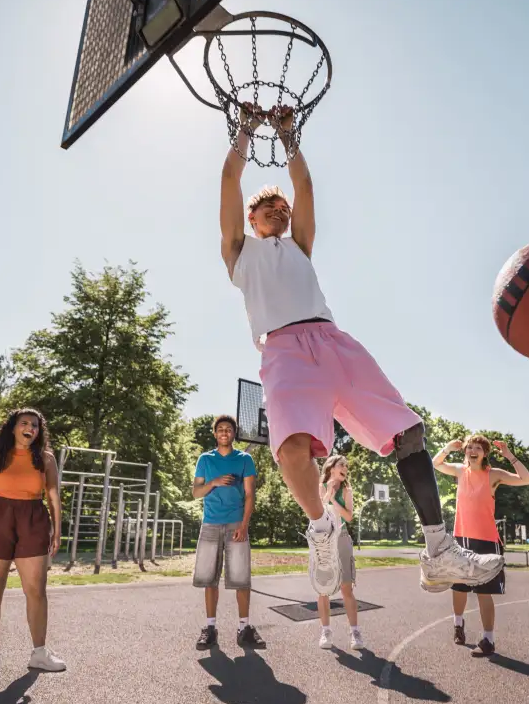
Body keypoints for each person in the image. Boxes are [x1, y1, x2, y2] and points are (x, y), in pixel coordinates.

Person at [219, 103, 502, 598]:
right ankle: (322, 529)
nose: (281, 212)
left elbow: (304, 189)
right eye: (270, 208)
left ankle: (438, 550)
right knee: (290, 453)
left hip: (333, 342)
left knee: (410, 432)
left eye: (283, 209)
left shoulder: (301, 246)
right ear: (251, 217)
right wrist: (245, 130)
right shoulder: (240, 252)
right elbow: (229, 178)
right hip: (285, 351)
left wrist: (289, 138)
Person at [0, 408, 66, 676]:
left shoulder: (47, 459)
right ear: (13, 428)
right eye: (25, 423)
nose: (30, 428)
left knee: (36, 591)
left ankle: (39, 653)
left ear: (39, 431)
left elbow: (53, 496)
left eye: (35, 425)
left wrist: (57, 530)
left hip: (33, 519)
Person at [432, 434, 529, 656]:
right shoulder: (460, 471)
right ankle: (458, 625)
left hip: (486, 541)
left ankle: (488, 639)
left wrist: (508, 455)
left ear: (485, 453)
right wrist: (448, 447)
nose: (473, 450)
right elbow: (435, 464)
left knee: (483, 592)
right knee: (458, 587)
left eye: (478, 447)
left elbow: (526, 479)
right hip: (461, 540)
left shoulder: (493, 475)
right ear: (465, 451)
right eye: (469, 447)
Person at [192, 415, 265, 650]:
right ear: (215, 433)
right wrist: (213, 482)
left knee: (241, 579)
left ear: (234, 433)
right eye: (220, 429)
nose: (224, 432)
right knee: (209, 579)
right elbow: (196, 493)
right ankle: (210, 628)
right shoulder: (205, 459)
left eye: (229, 429)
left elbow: (250, 494)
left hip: (236, 524)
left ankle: (244, 628)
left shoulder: (245, 459)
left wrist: (244, 525)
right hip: (210, 524)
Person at [316, 455, 364, 651]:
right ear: (332, 467)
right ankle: (326, 631)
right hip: (324, 539)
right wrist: (327, 494)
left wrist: (335, 502)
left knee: (346, 589)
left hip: (342, 537)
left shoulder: (347, 490)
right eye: (341, 464)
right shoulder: (320, 487)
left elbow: (349, 516)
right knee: (323, 589)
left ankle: (355, 632)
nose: (345, 468)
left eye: (346, 465)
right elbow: (318, 512)